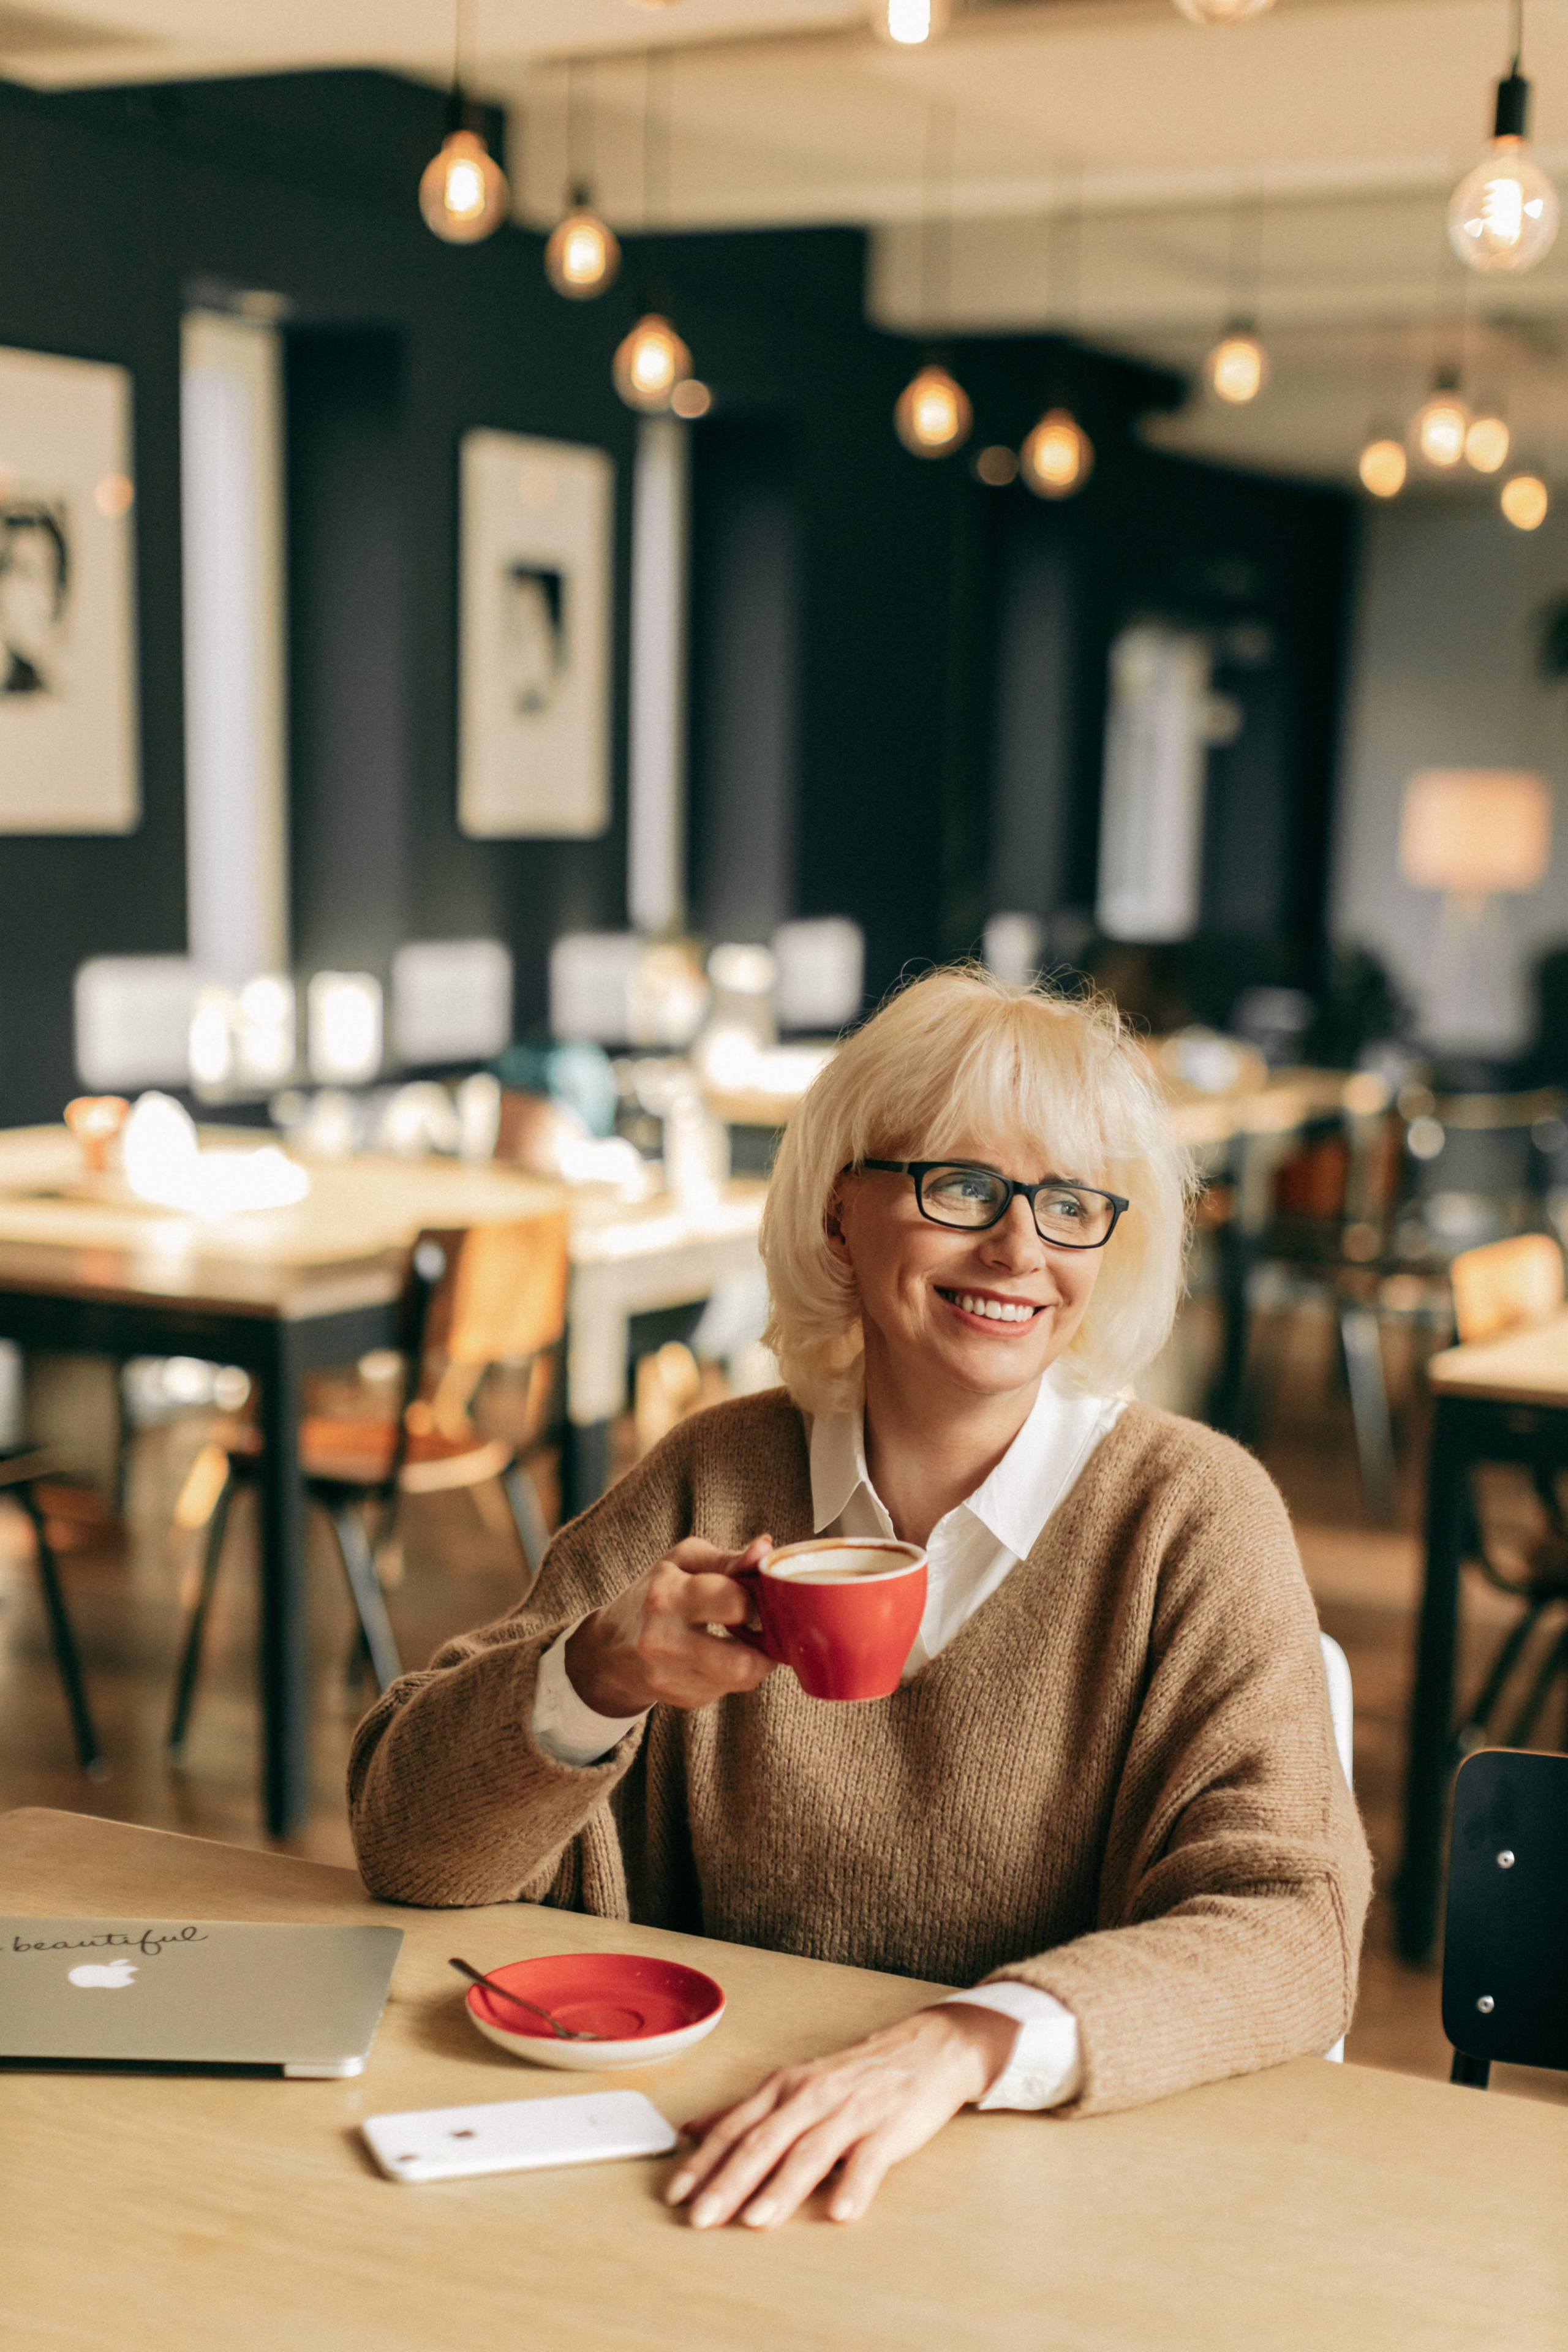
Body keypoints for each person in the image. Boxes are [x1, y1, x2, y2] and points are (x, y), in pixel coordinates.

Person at [350, 966, 1370, 2231]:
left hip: (1044, 2196)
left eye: (1068, 1206)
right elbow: (408, 1848)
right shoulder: (709, 1477)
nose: (1016, 1249)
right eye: (960, 1188)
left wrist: (961, 2045)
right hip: (712, 2168)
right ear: (841, 1214)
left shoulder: (1190, 1516)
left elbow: (1292, 1933)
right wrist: (594, 1676)